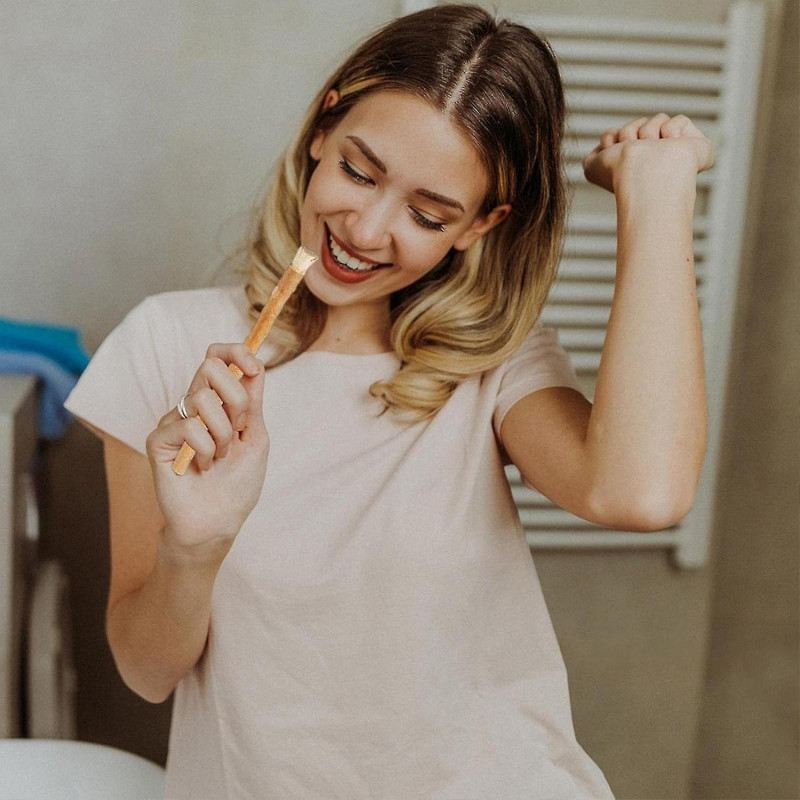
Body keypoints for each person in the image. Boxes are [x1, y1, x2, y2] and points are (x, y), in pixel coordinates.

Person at [63, 3, 712, 798]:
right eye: (359, 172)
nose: (365, 230)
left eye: (427, 213)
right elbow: (145, 671)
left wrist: (657, 198)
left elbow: (641, 492)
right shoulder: (167, 347)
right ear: (322, 130)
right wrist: (194, 548)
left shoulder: (494, 367)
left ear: (480, 226)